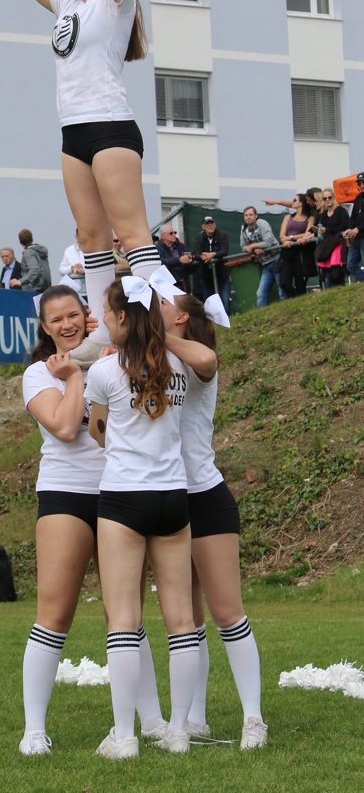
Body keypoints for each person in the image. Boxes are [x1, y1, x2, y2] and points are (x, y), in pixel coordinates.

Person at [0, 0, 161, 368]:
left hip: (111, 125)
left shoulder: (116, 1)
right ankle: (104, 327)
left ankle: (160, 315)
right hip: (73, 134)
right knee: (92, 238)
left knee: (130, 234)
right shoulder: (65, 2)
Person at [85, 272, 215, 758]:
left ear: (122, 317)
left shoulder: (104, 370)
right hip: (173, 496)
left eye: (107, 312)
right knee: (181, 620)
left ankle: (125, 737)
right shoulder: (178, 365)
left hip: (123, 497)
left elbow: (97, 428)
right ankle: (179, 731)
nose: (102, 321)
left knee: (123, 619)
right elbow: (204, 364)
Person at [158, 291, 268, 750]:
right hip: (165, 499)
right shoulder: (156, 358)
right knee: (187, 619)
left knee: (227, 613)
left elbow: (207, 357)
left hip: (205, 498)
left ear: (180, 316)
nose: (152, 307)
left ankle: (253, 720)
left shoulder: (197, 359)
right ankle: (195, 719)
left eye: (161, 303)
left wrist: (155, 333)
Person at [19, 285, 106, 755]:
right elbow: (67, 428)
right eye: (57, 320)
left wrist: (100, 361)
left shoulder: (112, 362)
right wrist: (74, 377)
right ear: (44, 328)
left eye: (74, 315)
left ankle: (149, 722)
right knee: (54, 615)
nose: (67, 325)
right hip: (65, 495)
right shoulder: (38, 374)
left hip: (118, 495)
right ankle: (34, 730)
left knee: (126, 618)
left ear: (87, 315)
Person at [239, 207, 285, 308]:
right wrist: (254, 249)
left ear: (256, 215)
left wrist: (252, 245)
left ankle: (287, 310)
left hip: (277, 260)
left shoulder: (262, 224)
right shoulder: (243, 228)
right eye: (246, 215)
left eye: (250, 215)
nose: (248, 217)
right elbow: (243, 246)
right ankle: (261, 314)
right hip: (265, 264)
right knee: (260, 293)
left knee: (282, 288)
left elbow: (268, 242)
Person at [277, 194, 316, 298]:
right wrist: (285, 240)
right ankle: (298, 298)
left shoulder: (310, 218)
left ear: (301, 203)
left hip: (302, 253)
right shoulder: (288, 217)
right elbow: (281, 235)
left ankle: (301, 299)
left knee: (301, 284)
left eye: (295, 200)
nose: (292, 202)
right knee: (284, 283)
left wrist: (290, 238)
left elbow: (308, 232)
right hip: (288, 252)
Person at [193, 217, 231, 314]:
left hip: (222, 275)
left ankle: (227, 324)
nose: (210, 225)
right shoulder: (199, 237)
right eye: (207, 223)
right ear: (203, 226)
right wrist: (204, 256)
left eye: (212, 223)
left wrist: (213, 254)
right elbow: (196, 253)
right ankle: (214, 326)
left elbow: (224, 251)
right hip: (206, 276)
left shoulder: (222, 235)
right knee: (209, 304)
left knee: (225, 301)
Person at [316, 188, 349, 288]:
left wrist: (327, 229)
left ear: (334, 197)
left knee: (337, 274)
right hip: (327, 246)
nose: (327, 200)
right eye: (324, 198)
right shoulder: (323, 215)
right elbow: (319, 227)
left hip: (338, 245)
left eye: (329, 197)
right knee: (326, 275)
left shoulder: (341, 211)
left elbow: (344, 227)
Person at [343, 172, 364, 283]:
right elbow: (353, 216)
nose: (361, 186)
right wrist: (349, 228)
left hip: (361, 235)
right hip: (355, 237)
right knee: (350, 265)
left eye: (363, 183)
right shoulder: (358, 198)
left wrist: (358, 228)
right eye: (359, 184)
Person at [156, 226, 192, 290]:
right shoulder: (158, 247)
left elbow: (188, 253)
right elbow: (161, 261)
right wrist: (179, 260)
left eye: (174, 232)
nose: (174, 235)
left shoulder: (179, 244)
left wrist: (188, 258)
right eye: (171, 233)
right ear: (163, 236)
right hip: (168, 284)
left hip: (183, 283)